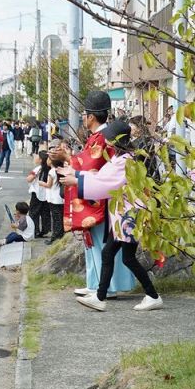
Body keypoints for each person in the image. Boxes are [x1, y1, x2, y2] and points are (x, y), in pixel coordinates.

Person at [58, 121, 162, 312]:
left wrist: (76, 180)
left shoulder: (125, 161)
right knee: (109, 254)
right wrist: (75, 174)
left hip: (129, 216)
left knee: (128, 258)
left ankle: (153, 295)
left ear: (115, 141)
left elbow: (105, 184)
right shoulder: (123, 157)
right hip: (125, 215)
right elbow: (100, 177)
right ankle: (100, 297)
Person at [49, 90, 135, 298]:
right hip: (98, 192)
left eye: (85, 114)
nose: (84, 118)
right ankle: (95, 283)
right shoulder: (102, 136)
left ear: (91, 116)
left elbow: (91, 164)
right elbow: (88, 163)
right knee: (95, 244)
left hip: (101, 196)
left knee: (101, 244)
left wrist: (68, 156)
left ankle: (107, 286)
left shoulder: (103, 137)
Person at [44, 153, 65, 244]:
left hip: (53, 198)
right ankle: (60, 235)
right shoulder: (60, 170)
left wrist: (40, 183)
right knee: (60, 217)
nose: (47, 160)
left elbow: (48, 185)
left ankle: (55, 237)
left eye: (48, 159)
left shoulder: (51, 171)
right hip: (60, 198)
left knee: (56, 218)